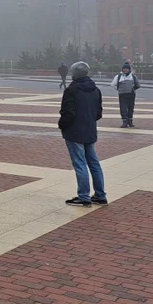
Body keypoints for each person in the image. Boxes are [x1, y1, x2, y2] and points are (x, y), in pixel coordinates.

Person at [58, 61, 106, 207]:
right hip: (90, 130)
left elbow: (67, 112)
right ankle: (100, 195)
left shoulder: (72, 90)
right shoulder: (95, 89)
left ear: (75, 74)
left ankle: (84, 196)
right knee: (94, 163)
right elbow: (98, 113)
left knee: (80, 163)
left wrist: (62, 126)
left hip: (74, 131)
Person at [110, 62, 139, 128]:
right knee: (123, 108)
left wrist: (133, 89)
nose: (125, 70)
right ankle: (124, 121)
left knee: (131, 107)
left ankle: (130, 120)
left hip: (131, 95)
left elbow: (137, 84)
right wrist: (119, 89)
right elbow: (113, 84)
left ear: (129, 69)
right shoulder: (119, 76)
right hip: (122, 95)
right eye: (124, 69)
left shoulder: (133, 76)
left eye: (127, 69)